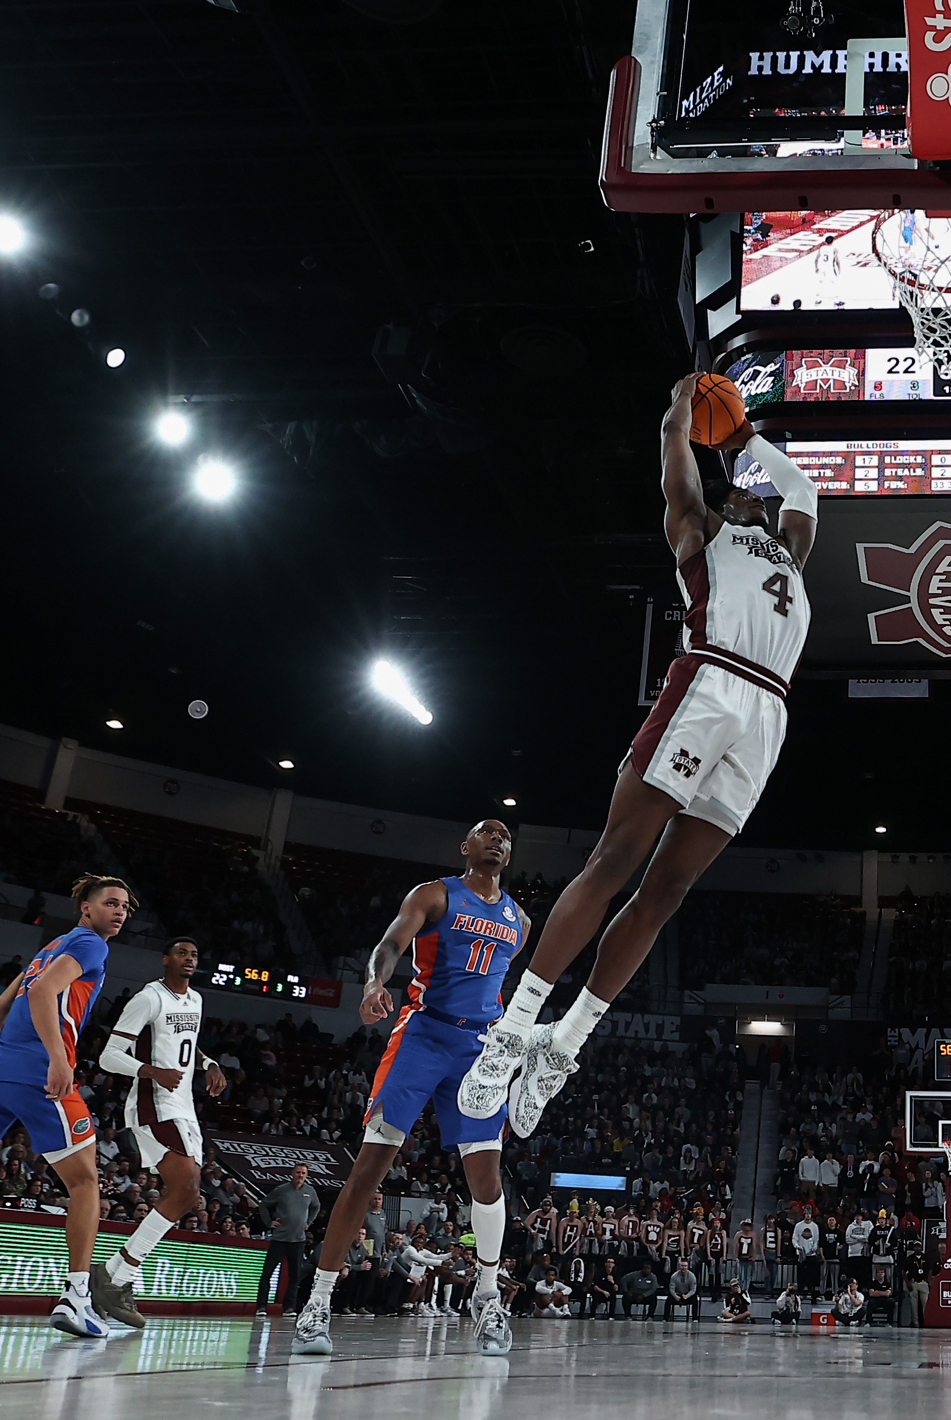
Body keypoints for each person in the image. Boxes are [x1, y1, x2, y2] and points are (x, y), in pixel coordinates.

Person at [459, 375, 818, 1136]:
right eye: (739, 488)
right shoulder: (699, 529)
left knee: (668, 891)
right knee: (615, 860)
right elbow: (674, 461)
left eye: (755, 491)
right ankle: (515, 1029)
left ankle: (564, 1043)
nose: (753, 493)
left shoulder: (789, 547)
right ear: (722, 505)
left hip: (767, 713)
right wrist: (681, 415)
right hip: (710, 682)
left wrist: (744, 438)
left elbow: (800, 484)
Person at [291, 820, 527, 1357]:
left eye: (505, 836)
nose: (497, 839)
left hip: (480, 1049)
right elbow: (391, 942)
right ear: (466, 847)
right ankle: (319, 1302)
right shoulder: (435, 894)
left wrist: (508, 1063)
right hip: (422, 1034)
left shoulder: (520, 920)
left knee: (487, 1180)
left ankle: (487, 1296)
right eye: (486, 833)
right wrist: (377, 981)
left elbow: (499, 989)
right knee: (370, 1166)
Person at [0, 875, 134, 1337]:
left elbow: (5, 1003)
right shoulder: (91, 945)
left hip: (5, 1066)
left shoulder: (51, 945)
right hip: (39, 1071)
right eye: (111, 903)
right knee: (85, 1181)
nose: (119, 912)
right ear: (86, 909)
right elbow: (41, 994)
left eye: (125, 907)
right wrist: (58, 1059)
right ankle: (77, 1297)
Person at [91, 935, 228, 1326]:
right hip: (153, 1105)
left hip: (184, 1107)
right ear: (166, 958)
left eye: (195, 953)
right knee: (187, 1190)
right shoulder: (149, 997)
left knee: (187, 1196)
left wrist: (209, 1064)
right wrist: (151, 1072)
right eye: (182, 952)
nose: (189, 958)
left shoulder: (196, 1000)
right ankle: (119, 1276)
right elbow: (109, 1056)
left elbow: (189, 1044)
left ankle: (115, 1273)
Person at [259, 1164, 322, 1314]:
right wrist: (269, 1222)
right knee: (267, 1273)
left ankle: (288, 1307)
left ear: (307, 1175)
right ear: (292, 1174)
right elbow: (264, 1205)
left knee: (295, 1275)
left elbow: (316, 1207)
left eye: (303, 1173)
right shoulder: (282, 1190)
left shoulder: (310, 1191)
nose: (300, 1175)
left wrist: (309, 1222)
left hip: (298, 1239)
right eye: (298, 1172)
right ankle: (261, 1306)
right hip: (280, 1238)